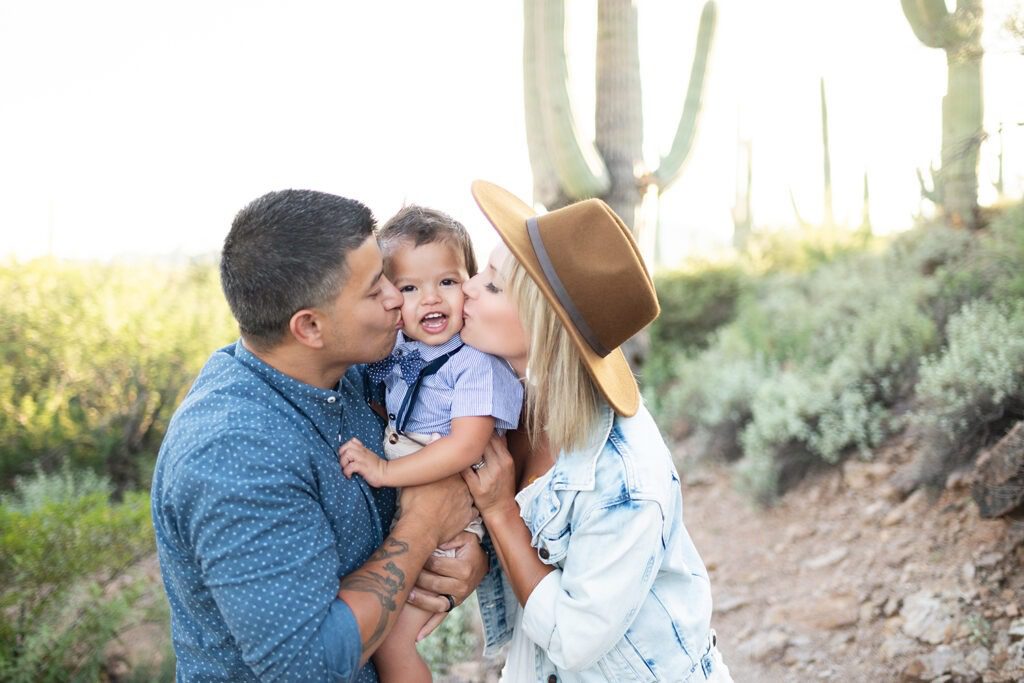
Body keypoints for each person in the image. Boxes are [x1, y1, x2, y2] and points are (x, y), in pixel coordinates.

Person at [150, 189, 488, 682]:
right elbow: (310, 666)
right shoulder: (232, 454)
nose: (397, 298)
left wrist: (469, 561)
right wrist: (423, 528)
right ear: (309, 327)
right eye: (375, 290)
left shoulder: (352, 371)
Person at [459, 180, 734, 682]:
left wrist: (500, 512)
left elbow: (574, 639)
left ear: (543, 327)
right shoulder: (507, 402)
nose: (468, 288)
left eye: (493, 286)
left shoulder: (624, 477)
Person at [337, 205, 523, 682]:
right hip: (412, 498)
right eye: (409, 288)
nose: (431, 299)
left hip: (449, 508)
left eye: (447, 281)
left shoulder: (475, 363)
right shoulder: (398, 349)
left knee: (393, 641)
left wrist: (384, 470)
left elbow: (465, 447)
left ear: (470, 284)